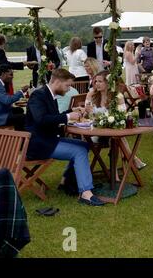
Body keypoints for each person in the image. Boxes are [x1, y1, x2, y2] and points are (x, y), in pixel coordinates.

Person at [25, 69, 104, 206]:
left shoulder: (49, 95)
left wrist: (70, 112)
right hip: (39, 144)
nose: (69, 89)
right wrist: (67, 117)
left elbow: (52, 117)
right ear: (56, 81)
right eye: (67, 85)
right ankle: (86, 193)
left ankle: (66, 181)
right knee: (78, 151)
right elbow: (41, 120)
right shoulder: (38, 95)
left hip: (48, 139)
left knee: (84, 145)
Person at [84, 71, 146, 170]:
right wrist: (87, 112)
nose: (96, 84)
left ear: (108, 83)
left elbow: (122, 115)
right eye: (95, 81)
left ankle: (116, 173)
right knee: (118, 138)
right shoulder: (91, 95)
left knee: (116, 137)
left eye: (100, 81)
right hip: (95, 132)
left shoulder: (117, 96)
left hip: (111, 132)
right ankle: (132, 159)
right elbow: (86, 116)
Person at [0, 64, 29, 130]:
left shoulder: (0, 83)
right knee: (23, 117)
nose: (12, 77)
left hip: (1, 111)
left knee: (19, 110)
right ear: (3, 74)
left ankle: (17, 132)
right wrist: (21, 91)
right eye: (11, 74)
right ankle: (21, 137)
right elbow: (7, 101)